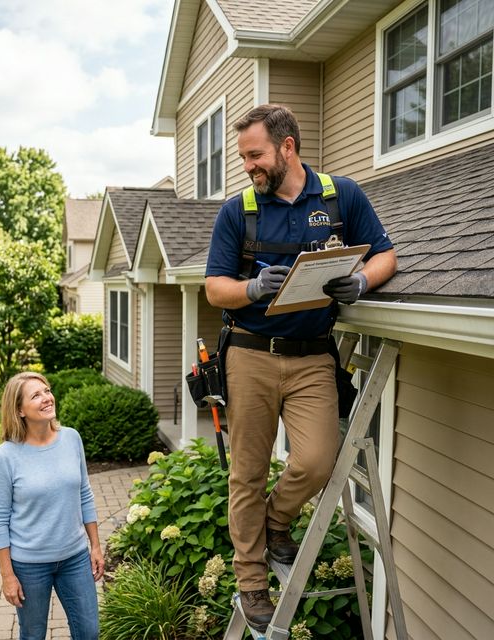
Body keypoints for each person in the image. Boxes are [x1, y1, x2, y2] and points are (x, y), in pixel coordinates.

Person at [205, 104, 396, 632]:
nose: (249, 165)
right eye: (244, 156)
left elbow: (384, 255)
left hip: (314, 355)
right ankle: (252, 584)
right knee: (246, 472)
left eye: (255, 154)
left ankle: (276, 520)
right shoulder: (237, 211)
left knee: (317, 459)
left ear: (287, 147)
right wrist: (251, 288)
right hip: (250, 355)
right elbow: (214, 286)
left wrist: (361, 283)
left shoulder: (340, 196)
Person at [0, 371, 104, 640]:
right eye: (36, 395)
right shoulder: (6, 456)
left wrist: (95, 546)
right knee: (33, 635)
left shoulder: (71, 438)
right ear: (19, 410)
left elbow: (84, 494)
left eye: (47, 390)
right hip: (29, 565)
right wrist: (8, 575)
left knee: (89, 632)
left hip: (74, 557)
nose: (47, 398)